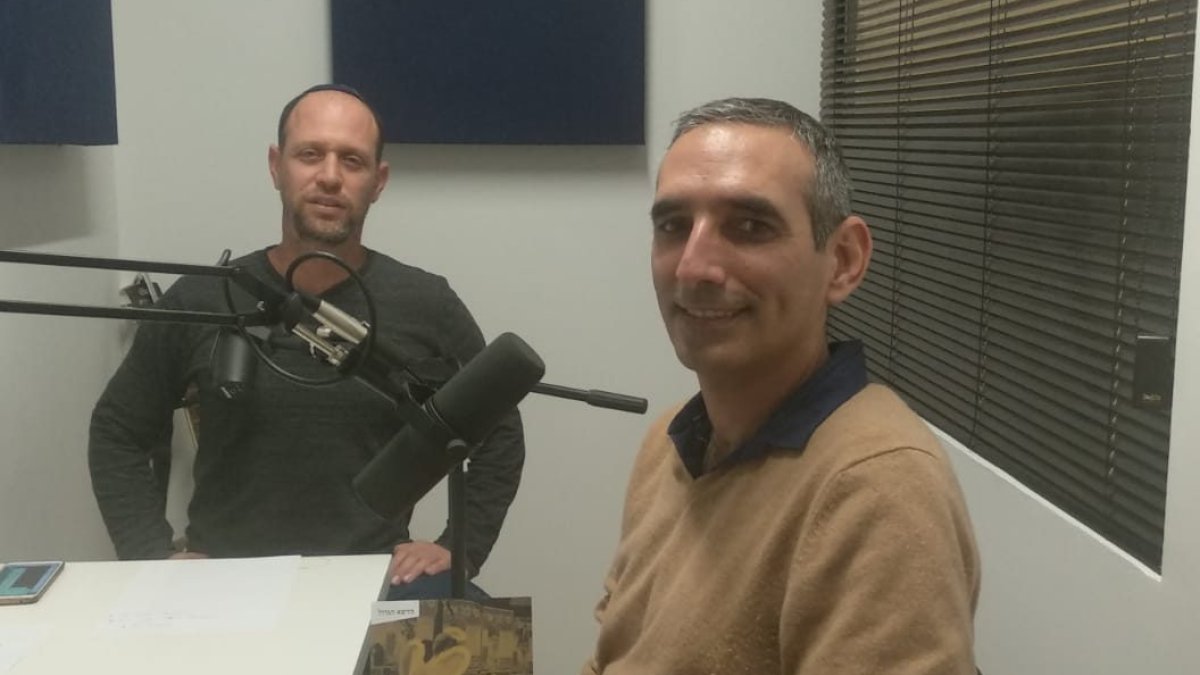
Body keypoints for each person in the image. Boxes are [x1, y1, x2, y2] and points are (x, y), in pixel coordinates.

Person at [582, 98, 980, 674]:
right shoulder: (668, 441)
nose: (692, 267)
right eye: (673, 226)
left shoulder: (875, 487)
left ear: (843, 260)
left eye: (749, 227)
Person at [88, 84, 524, 599]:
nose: (330, 176)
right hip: (226, 580)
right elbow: (117, 429)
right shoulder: (206, 296)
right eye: (310, 154)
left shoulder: (425, 304)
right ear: (277, 167)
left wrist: (461, 546)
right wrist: (150, 554)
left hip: (370, 580)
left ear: (378, 181)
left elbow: (499, 432)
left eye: (352, 160)